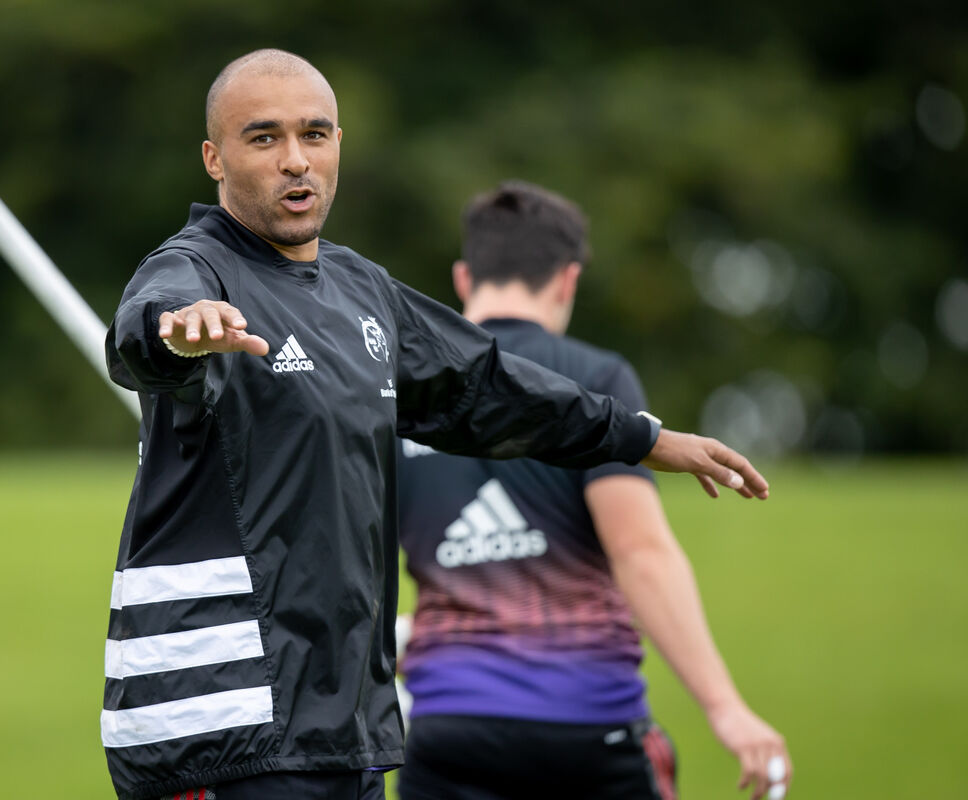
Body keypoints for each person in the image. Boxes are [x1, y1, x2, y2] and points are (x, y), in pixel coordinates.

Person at [103, 49, 769, 800]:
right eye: (264, 139)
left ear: (338, 146)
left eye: (314, 135)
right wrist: (173, 333)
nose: (296, 161)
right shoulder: (193, 270)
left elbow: (489, 384)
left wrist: (645, 439)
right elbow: (146, 330)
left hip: (342, 728)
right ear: (213, 159)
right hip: (223, 723)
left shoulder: (361, 290)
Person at [394, 181, 792, 800]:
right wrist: (724, 707)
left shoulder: (408, 395)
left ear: (464, 278)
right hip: (582, 724)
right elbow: (640, 552)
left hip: (446, 728)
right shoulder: (595, 380)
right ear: (568, 281)